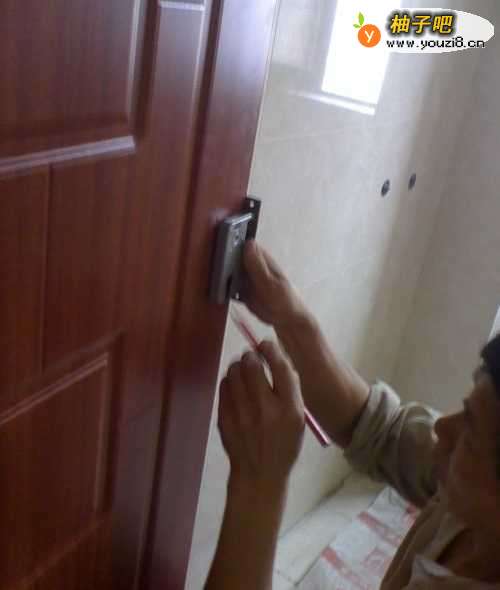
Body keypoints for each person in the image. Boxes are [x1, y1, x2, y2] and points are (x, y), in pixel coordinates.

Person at [204, 240, 500, 590]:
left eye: (471, 435)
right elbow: (383, 431)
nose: (443, 429)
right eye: (466, 409)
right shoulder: (465, 487)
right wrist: (292, 320)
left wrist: (258, 485)